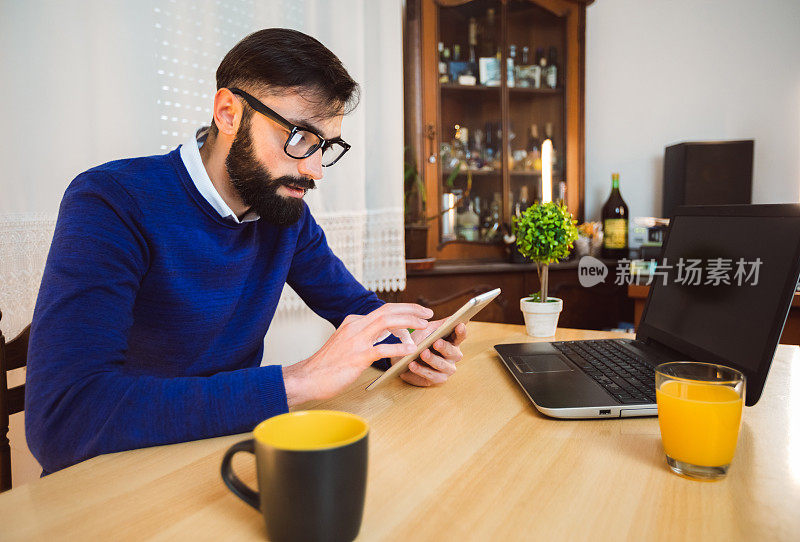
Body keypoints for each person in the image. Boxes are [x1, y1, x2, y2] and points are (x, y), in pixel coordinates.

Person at [25, 28, 466, 474]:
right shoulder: (111, 201)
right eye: (299, 137)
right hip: (120, 477)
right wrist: (299, 381)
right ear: (228, 113)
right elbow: (65, 419)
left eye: (325, 147)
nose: (314, 170)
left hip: (226, 458)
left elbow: (355, 309)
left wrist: (408, 349)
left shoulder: (283, 213)